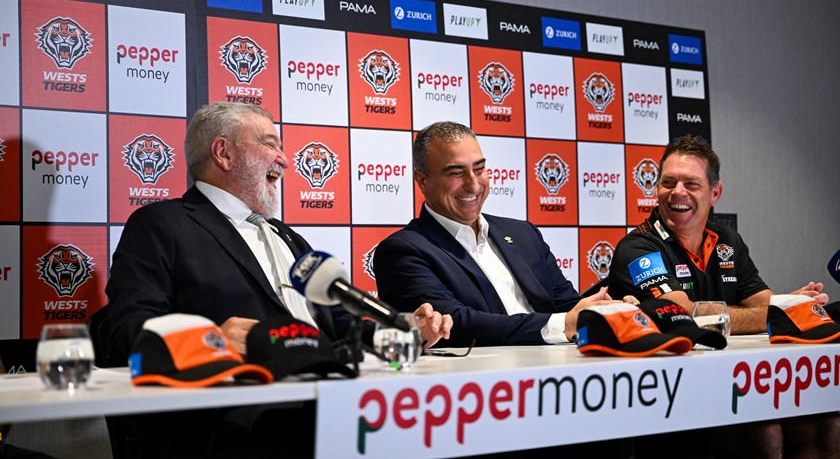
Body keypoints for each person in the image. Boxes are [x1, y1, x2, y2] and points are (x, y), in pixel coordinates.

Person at [105, 102, 451, 457]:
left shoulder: (287, 237)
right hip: (240, 425)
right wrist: (212, 342)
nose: (285, 160)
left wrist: (401, 333)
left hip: (331, 406)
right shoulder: (162, 224)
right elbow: (124, 331)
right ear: (223, 153)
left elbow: (340, 327)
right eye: (271, 145)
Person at [607, 134, 839, 459]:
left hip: (729, 380)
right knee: (766, 433)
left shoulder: (728, 239)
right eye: (668, 182)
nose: (677, 192)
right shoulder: (638, 246)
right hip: (665, 394)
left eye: (691, 184)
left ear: (715, 192)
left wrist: (788, 305)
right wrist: (778, 312)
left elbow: (761, 302)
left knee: (825, 422)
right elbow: (681, 312)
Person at [374, 121, 622, 348]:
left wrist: (602, 309)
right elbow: (454, 325)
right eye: (456, 173)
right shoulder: (402, 251)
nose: (473, 184)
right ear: (422, 181)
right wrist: (564, 324)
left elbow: (565, 306)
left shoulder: (523, 233)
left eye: (479, 169)